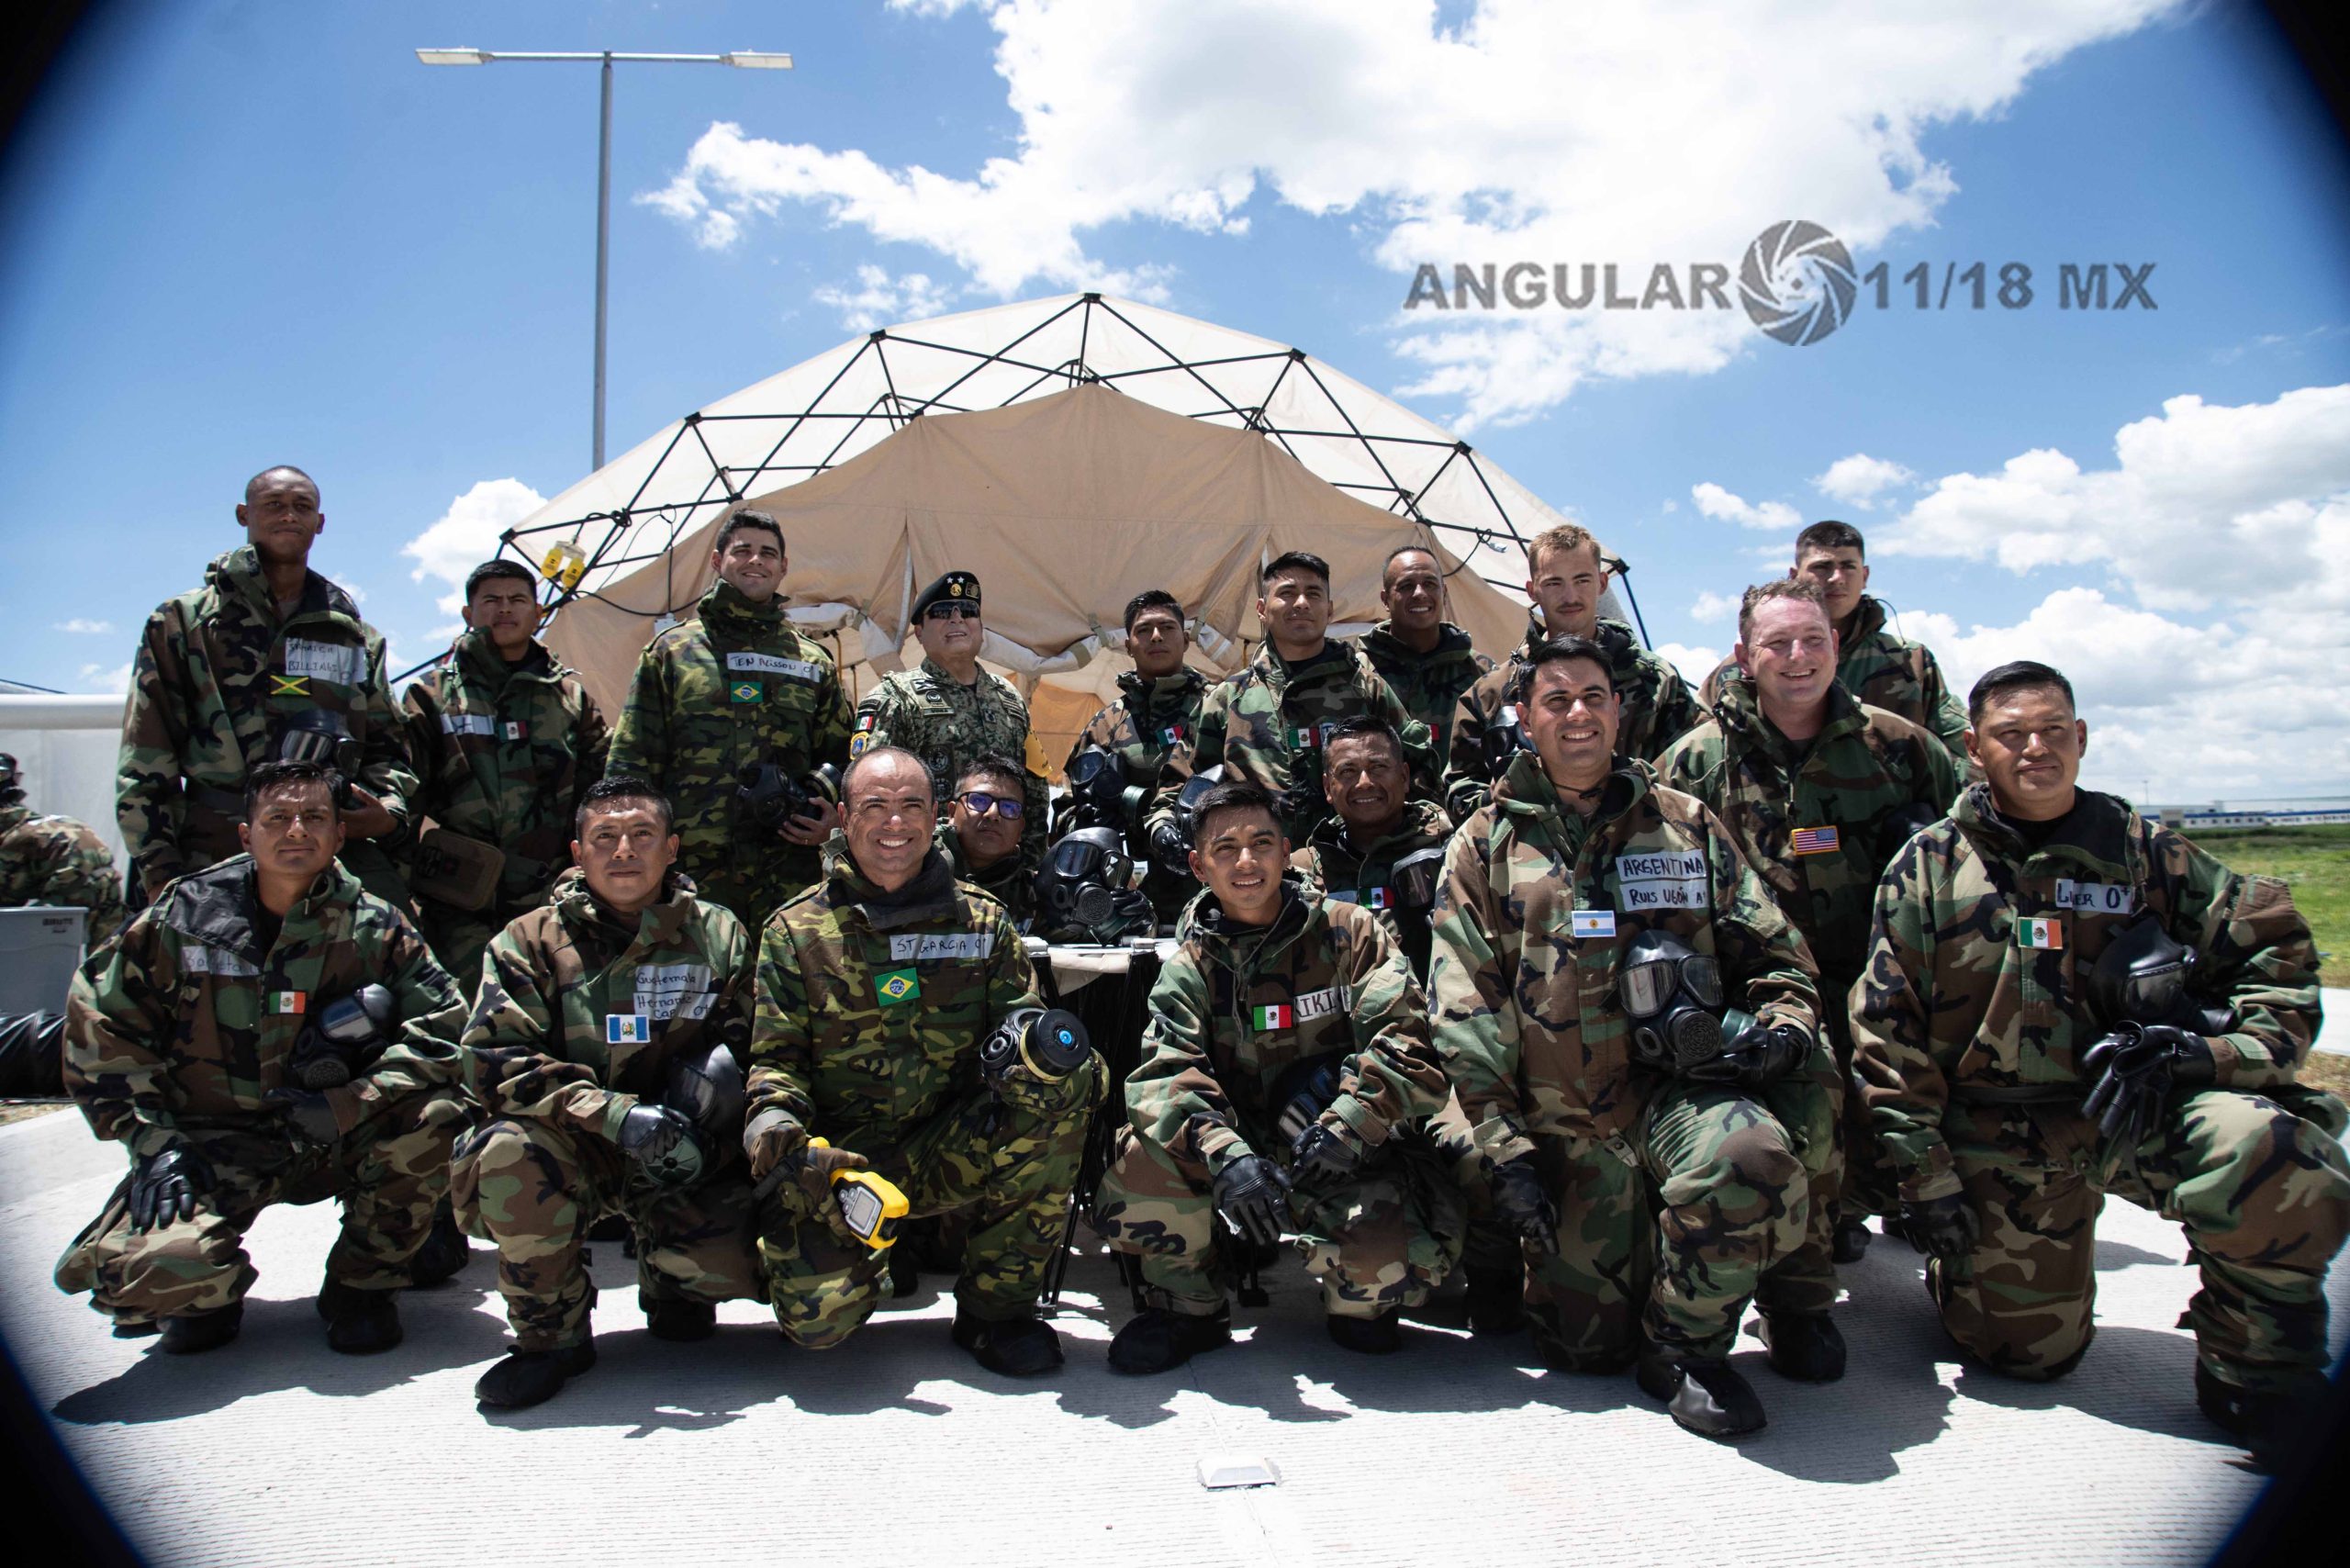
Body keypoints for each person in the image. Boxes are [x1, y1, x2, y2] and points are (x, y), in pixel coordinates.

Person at [1851, 659, 2350, 1465]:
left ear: (2080, 737)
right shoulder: (1929, 867)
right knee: (2025, 1357)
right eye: (2012, 734)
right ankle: (1969, 1274)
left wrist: (2209, 1053)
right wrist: (1927, 1178)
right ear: (1975, 749)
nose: (2035, 748)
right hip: (1998, 1132)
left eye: (2053, 730)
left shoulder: (2149, 855)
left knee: (2276, 1153)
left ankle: (2257, 1371)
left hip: (2138, 1104)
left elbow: (2276, 958)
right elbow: (1886, 1033)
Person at [1429, 636, 1830, 1439]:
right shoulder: (1483, 842)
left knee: (1749, 1153)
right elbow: (1464, 1006)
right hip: (1561, 1124)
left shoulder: (1685, 825)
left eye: (1593, 697)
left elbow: (1776, 954)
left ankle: (1688, 1347)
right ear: (1525, 719)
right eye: (1556, 701)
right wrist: (1506, 1147)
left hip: (1679, 1095)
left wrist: (1781, 1030)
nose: (1577, 714)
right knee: (1584, 1350)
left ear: (1617, 710)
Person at [53, 760, 470, 1355]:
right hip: (213, 1142)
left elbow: (446, 1029)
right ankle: (207, 1291)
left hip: (335, 1131)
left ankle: (362, 1288)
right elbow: (101, 1021)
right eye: (278, 818)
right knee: (156, 1277)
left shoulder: (375, 924)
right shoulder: (184, 917)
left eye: (314, 817)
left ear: (339, 834)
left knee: (436, 1115)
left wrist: (353, 1101)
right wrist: (154, 1144)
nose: (296, 830)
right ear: (247, 835)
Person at [744, 745, 1102, 1374]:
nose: (895, 823)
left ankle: (997, 1312)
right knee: (817, 1323)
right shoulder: (794, 931)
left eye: (911, 806)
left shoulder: (983, 922)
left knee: (1068, 1084)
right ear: (844, 818)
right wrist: (778, 1132)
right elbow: (777, 1063)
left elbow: (1023, 1029)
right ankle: (880, 1254)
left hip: (949, 1147)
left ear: (936, 816)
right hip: (845, 1167)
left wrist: (1037, 1063)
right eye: (875, 806)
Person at [1094, 778, 1458, 1371]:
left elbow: (1407, 1039)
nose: (1246, 861)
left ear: (1286, 852)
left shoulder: (1350, 932)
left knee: (1372, 1298)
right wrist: (1227, 1156)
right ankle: (1190, 1308)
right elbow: (1164, 1074)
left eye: (1261, 843)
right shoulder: (1189, 967)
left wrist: (1351, 1122)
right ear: (1198, 867)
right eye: (1225, 848)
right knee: (1143, 1156)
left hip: (1340, 1145)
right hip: (1242, 1152)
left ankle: (1353, 1295)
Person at [1660, 579, 1958, 1296]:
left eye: (1813, 640)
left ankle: (1882, 1206)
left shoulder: (1903, 750)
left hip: (1886, 993)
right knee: (1789, 1130)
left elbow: (1969, 861)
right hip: (1759, 999)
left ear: (1837, 646)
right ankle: (1798, 1285)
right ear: (1743, 657)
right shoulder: (1694, 765)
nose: (1798, 657)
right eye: (1778, 643)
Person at [453, 778, 763, 1410]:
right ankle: (551, 1338)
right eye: (605, 837)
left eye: (642, 834)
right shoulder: (529, 940)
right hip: (574, 1146)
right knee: (509, 1154)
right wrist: (616, 1115)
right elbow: (494, 1060)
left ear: (671, 847)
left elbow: (752, 1043)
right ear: (578, 852)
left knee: (729, 1264)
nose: (624, 850)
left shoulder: (718, 933)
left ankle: (673, 1285)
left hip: (685, 1146)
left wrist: (710, 1118)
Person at [117, 465, 419, 910]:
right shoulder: (183, 623)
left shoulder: (351, 634)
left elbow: (387, 746)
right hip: (213, 852)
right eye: (274, 505)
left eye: (302, 507)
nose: (289, 516)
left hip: (327, 849)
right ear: (244, 515)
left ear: (320, 522)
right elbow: (146, 756)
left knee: (397, 939)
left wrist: (387, 812)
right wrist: (160, 869)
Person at [607, 509, 854, 928]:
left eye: (768, 553)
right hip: (691, 869)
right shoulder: (673, 652)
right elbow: (631, 762)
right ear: (718, 561)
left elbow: (842, 757)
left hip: (788, 870)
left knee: (784, 970)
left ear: (783, 568)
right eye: (743, 550)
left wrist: (829, 817)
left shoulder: (812, 662)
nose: (756, 560)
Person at [401, 559, 610, 996]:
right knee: (473, 1008)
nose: (505, 609)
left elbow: (602, 787)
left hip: (552, 889)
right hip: (462, 899)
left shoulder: (569, 697)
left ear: (538, 613)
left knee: (560, 1004)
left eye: (517, 599)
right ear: (468, 613)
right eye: (491, 600)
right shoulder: (432, 695)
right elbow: (405, 794)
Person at [1145, 551, 1432, 866]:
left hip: (1360, 870)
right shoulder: (1228, 700)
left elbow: (1418, 772)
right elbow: (1179, 783)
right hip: (1261, 876)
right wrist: (1163, 827)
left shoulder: (1367, 689)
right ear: (1261, 609)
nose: (1302, 603)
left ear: (1329, 609)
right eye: (1287, 593)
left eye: (1313, 593)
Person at [1445, 523, 1698, 822]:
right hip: (1531, 846)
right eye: (1554, 583)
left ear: (1601, 583)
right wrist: (1506, 795)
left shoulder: (1656, 681)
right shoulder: (1492, 692)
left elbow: (1693, 776)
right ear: (1532, 590)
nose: (1570, 596)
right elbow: (1460, 794)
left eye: (1582, 580)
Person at [1700, 521, 1968, 764]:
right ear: (1794, 575)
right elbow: (1701, 746)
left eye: (1848, 566)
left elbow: (1965, 748)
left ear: (1865, 576)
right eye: (1822, 567)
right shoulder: (1741, 667)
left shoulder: (1910, 661)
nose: (1836, 578)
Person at [853, 571, 1049, 875]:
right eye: (943, 613)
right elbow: (870, 794)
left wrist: (1032, 867)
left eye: (968, 612)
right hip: (928, 873)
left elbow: (1035, 786)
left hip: (1003, 875)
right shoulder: (896, 698)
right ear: (919, 632)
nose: (957, 619)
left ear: (981, 629)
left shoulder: (1008, 697)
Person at [1065, 589, 1210, 924]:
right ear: (1128, 645)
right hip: (1125, 898)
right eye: (1143, 630)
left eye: (1167, 627)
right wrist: (1091, 823)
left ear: (1186, 640)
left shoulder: (1217, 707)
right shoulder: (1107, 723)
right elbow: (1068, 806)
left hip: (1209, 885)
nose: (1156, 636)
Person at [1287, 718, 1452, 984]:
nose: (1364, 782)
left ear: (1404, 776)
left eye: (1378, 767)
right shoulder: (1300, 871)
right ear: (1328, 787)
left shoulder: (1454, 851)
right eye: (1348, 771)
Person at [1354, 545, 1494, 756]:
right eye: (1406, 586)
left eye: (1429, 584)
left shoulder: (1481, 672)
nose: (1420, 593)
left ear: (1444, 593)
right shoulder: (1359, 673)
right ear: (1385, 599)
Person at [0, 750, 125, 946]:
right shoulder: (44, 825)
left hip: (67, 904)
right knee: (108, 957)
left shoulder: (16, 838)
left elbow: (7, 900)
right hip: (107, 890)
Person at [939, 755, 1034, 924]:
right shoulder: (915, 872)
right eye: (979, 800)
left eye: (1009, 807)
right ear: (952, 813)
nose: (993, 814)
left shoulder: (1038, 896)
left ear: (1020, 828)